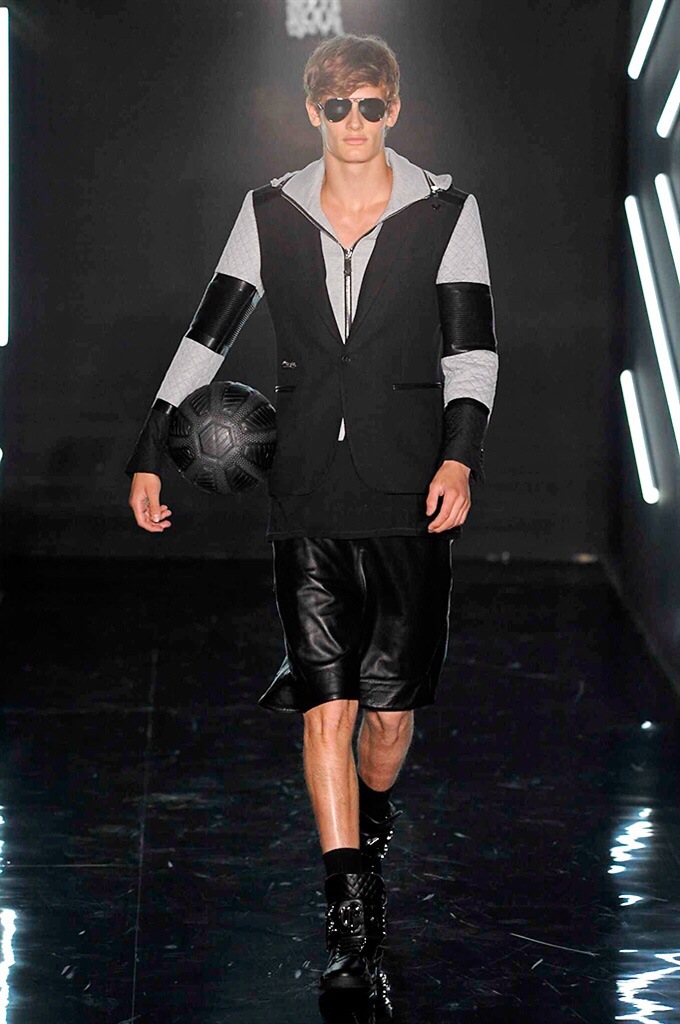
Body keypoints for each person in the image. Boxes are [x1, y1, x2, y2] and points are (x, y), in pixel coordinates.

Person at [125, 33, 498, 1018]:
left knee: (389, 715)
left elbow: (471, 352)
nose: (354, 123)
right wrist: (147, 450)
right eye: (337, 108)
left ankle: (368, 823)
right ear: (312, 113)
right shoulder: (268, 212)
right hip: (304, 489)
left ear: (394, 108)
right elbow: (206, 336)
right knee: (325, 703)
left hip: (409, 484)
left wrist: (459, 456)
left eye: (370, 106)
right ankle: (347, 922)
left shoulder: (445, 210)